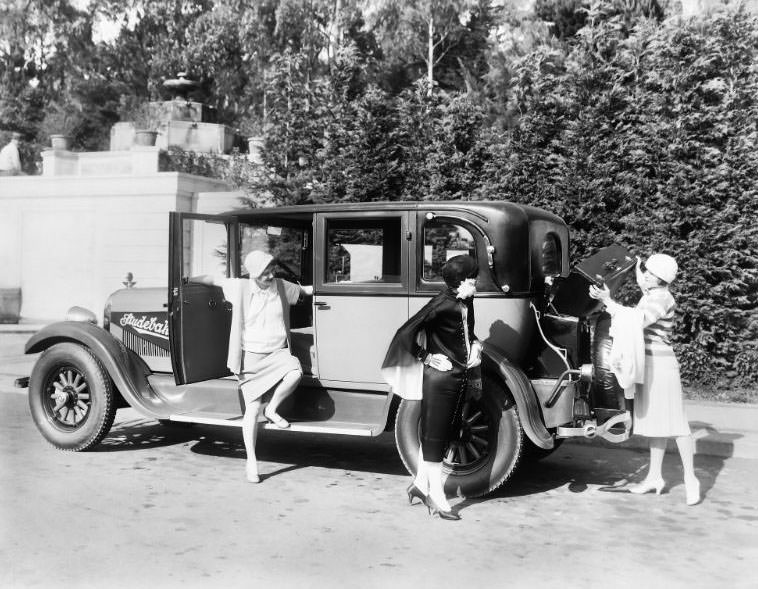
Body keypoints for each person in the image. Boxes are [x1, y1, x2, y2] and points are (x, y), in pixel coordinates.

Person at [590, 253, 701, 506]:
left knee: (677, 424)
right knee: (655, 424)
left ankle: (691, 479)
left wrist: (608, 301)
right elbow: (644, 283)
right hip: (650, 364)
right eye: (647, 272)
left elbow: (637, 320)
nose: (646, 276)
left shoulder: (661, 298)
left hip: (661, 366)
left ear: (661, 279)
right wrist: (639, 267)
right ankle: (654, 477)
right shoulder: (653, 293)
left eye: (651, 273)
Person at [195, 250, 312, 483]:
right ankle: (251, 462)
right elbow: (211, 279)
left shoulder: (281, 286)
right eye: (264, 273)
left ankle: (273, 409)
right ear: (254, 273)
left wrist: (337, 287)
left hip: (277, 352)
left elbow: (306, 290)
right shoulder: (239, 287)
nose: (270, 275)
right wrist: (188, 281)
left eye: (272, 270)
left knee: (295, 372)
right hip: (252, 356)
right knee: (252, 408)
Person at [382, 255, 482, 520]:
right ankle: (437, 498)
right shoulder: (440, 304)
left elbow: (468, 333)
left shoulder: (466, 300)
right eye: (473, 277)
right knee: (435, 437)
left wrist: (478, 347)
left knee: (442, 434)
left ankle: (419, 484)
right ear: (462, 280)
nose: (476, 281)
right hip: (439, 380)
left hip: (458, 377)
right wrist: (426, 357)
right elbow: (403, 334)